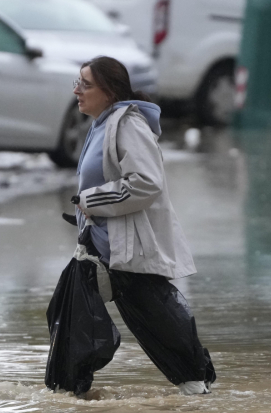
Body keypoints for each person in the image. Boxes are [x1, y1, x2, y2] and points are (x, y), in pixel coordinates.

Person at [70, 56, 216, 395]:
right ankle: (71, 403)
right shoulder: (101, 124)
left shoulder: (127, 125)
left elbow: (146, 184)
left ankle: (201, 401)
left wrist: (91, 201)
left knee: (169, 336)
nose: (77, 90)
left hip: (128, 254)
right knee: (68, 325)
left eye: (85, 84)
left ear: (109, 91)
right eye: (77, 82)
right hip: (97, 250)